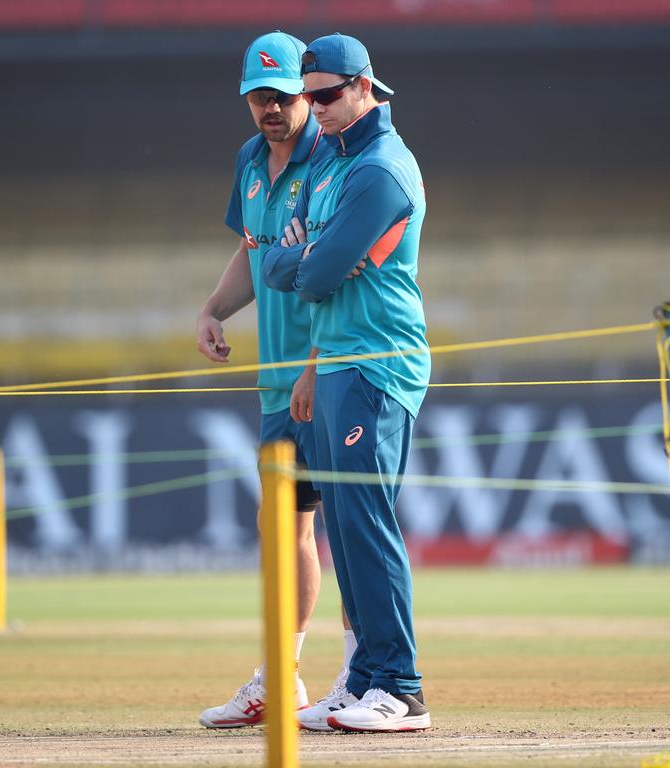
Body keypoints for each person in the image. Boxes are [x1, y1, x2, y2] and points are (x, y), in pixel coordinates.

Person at [262, 33, 432, 733]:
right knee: (344, 527)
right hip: (334, 361)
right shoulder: (333, 164)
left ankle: (402, 686)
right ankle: (363, 678)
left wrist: (309, 255)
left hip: (377, 362)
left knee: (367, 526)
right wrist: (308, 255)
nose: (315, 108)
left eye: (326, 95)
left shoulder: (381, 169)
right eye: (309, 97)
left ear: (365, 86)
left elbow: (317, 274)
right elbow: (276, 269)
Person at [195, 30, 355, 730]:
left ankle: (363, 673)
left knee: (352, 529)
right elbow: (252, 249)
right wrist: (212, 308)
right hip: (273, 384)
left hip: (331, 375)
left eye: (284, 94)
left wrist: (319, 367)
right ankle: (281, 676)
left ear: (308, 90)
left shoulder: (338, 159)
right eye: (258, 96)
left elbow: (350, 272)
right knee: (282, 529)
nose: (271, 107)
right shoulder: (250, 162)